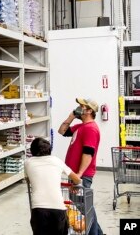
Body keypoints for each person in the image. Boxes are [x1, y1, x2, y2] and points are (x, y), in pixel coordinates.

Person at [58, 97, 104, 235]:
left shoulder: (91, 129)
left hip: (81, 175)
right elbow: (62, 131)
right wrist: (71, 116)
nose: (79, 108)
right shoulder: (81, 126)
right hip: (75, 174)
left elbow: (88, 153)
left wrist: (79, 174)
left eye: (82, 106)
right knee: (86, 208)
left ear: (89, 110)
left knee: (85, 208)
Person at [25, 137, 82, 235]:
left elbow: (29, 180)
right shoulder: (57, 161)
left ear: (32, 150)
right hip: (58, 209)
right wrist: (73, 185)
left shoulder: (28, 163)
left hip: (38, 210)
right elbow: (77, 179)